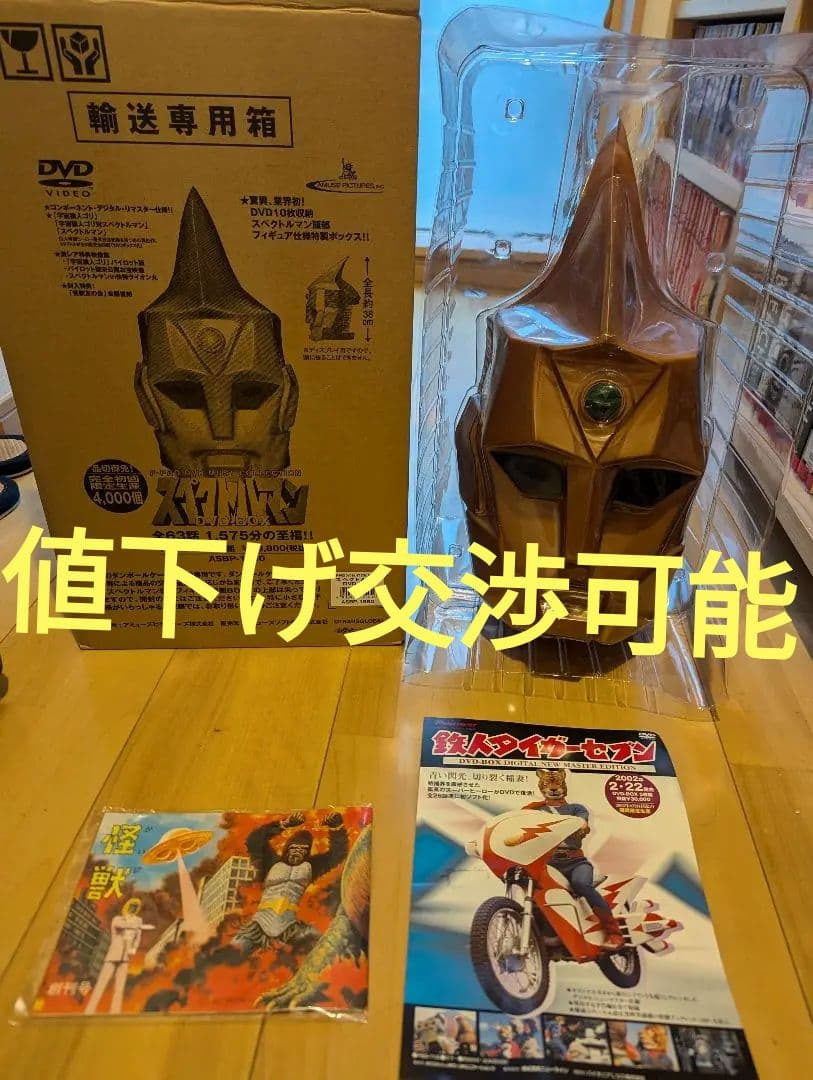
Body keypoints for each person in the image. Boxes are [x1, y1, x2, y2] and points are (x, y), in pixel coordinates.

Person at [522, 768, 624, 949]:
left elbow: (582, 822)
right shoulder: (536, 809)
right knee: (533, 891)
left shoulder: (576, 808)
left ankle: (613, 931)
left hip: (575, 862)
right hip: (548, 863)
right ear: (541, 787)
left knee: (581, 884)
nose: (553, 788)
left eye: (558, 784)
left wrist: (581, 825)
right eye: (548, 784)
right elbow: (519, 822)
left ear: (564, 785)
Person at [233, 810, 346, 954]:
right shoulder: (271, 862)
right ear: (287, 849)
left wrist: (336, 828)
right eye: (294, 849)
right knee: (233, 951)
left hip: (290, 926)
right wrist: (284, 824)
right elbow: (254, 841)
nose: (298, 852)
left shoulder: (310, 867)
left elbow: (337, 854)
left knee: (327, 948)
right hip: (260, 924)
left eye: (303, 850)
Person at [84, 897, 154, 1014]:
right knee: (101, 984)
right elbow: (121, 926)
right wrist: (136, 925)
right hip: (113, 955)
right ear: (127, 907)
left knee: (119, 987)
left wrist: (133, 948)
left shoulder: (137, 921)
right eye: (131, 906)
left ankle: (115, 1011)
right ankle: (90, 1010)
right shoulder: (118, 919)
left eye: (135, 907)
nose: (133, 908)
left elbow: (137, 937)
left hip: (125, 957)